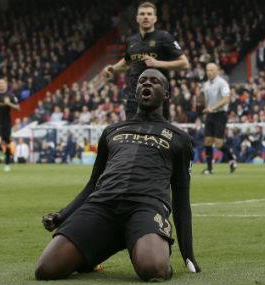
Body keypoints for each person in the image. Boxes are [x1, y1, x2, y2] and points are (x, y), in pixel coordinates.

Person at [35, 69, 200, 281]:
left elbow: (181, 200)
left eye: (154, 82)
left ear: (166, 95)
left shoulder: (179, 138)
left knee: (154, 270)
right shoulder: (112, 131)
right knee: (46, 269)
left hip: (146, 207)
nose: (147, 84)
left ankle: (143, 241)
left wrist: (189, 255)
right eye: (142, 81)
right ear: (136, 90)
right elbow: (93, 184)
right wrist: (62, 215)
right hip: (102, 204)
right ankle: (96, 251)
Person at [103, 1, 190, 120]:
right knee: (133, 136)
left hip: (157, 99)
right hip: (134, 98)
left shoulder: (164, 37)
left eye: (149, 14)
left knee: (156, 136)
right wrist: (112, 69)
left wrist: (157, 63)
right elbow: (127, 62)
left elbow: (184, 64)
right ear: (137, 18)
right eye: (142, 14)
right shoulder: (131, 40)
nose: (145, 17)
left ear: (155, 18)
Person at [201, 63, 237, 174]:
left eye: (212, 70)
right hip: (210, 114)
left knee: (218, 143)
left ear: (217, 71)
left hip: (220, 114)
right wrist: (207, 109)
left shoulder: (222, 83)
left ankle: (232, 159)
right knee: (207, 141)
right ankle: (209, 168)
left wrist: (214, 107)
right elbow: (207, 101)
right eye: (207, 70)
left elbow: (226, 98)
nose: (209, 72)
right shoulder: (206, 85)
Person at [0, 79, 20, 171]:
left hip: (6, 123)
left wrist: (9, 103)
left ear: (6, 85)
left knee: (7, 143)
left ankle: (7, 163)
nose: (1, 85)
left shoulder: (11, 95)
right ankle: (3, 152)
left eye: (3, 83)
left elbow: (18, 108)